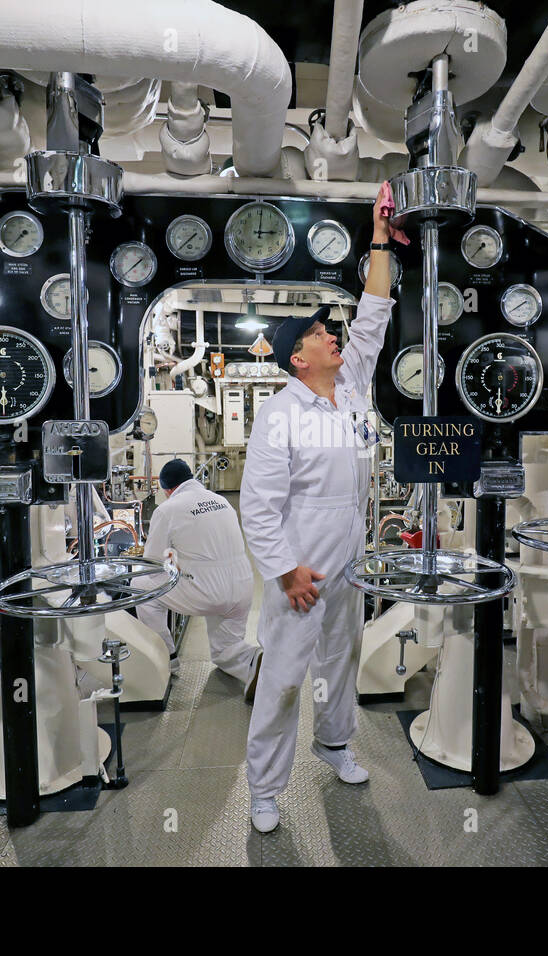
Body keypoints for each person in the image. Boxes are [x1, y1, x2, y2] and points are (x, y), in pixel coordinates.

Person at [240, 197, 394, 834]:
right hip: (302, 565)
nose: (333, 335)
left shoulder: (352, 386)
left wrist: (381, 237)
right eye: (318, 334)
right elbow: (257, 506)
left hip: (350, 551)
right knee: (281, 678)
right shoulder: (281, 413)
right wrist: (285, 572)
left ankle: (333, 743)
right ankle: (264, 787)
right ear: (297, 358)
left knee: (342, 660)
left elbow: (375, 315)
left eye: (330, 331)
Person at [138, 459, 262, 700]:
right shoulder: (221, 500)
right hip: (244, 587)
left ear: (168, 490)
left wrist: (174, 563)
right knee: (223, 650)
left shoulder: (167, 509)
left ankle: (167, 659)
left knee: (142, 587)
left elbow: (152, 563)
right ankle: (253, 662)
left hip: (207, 592)